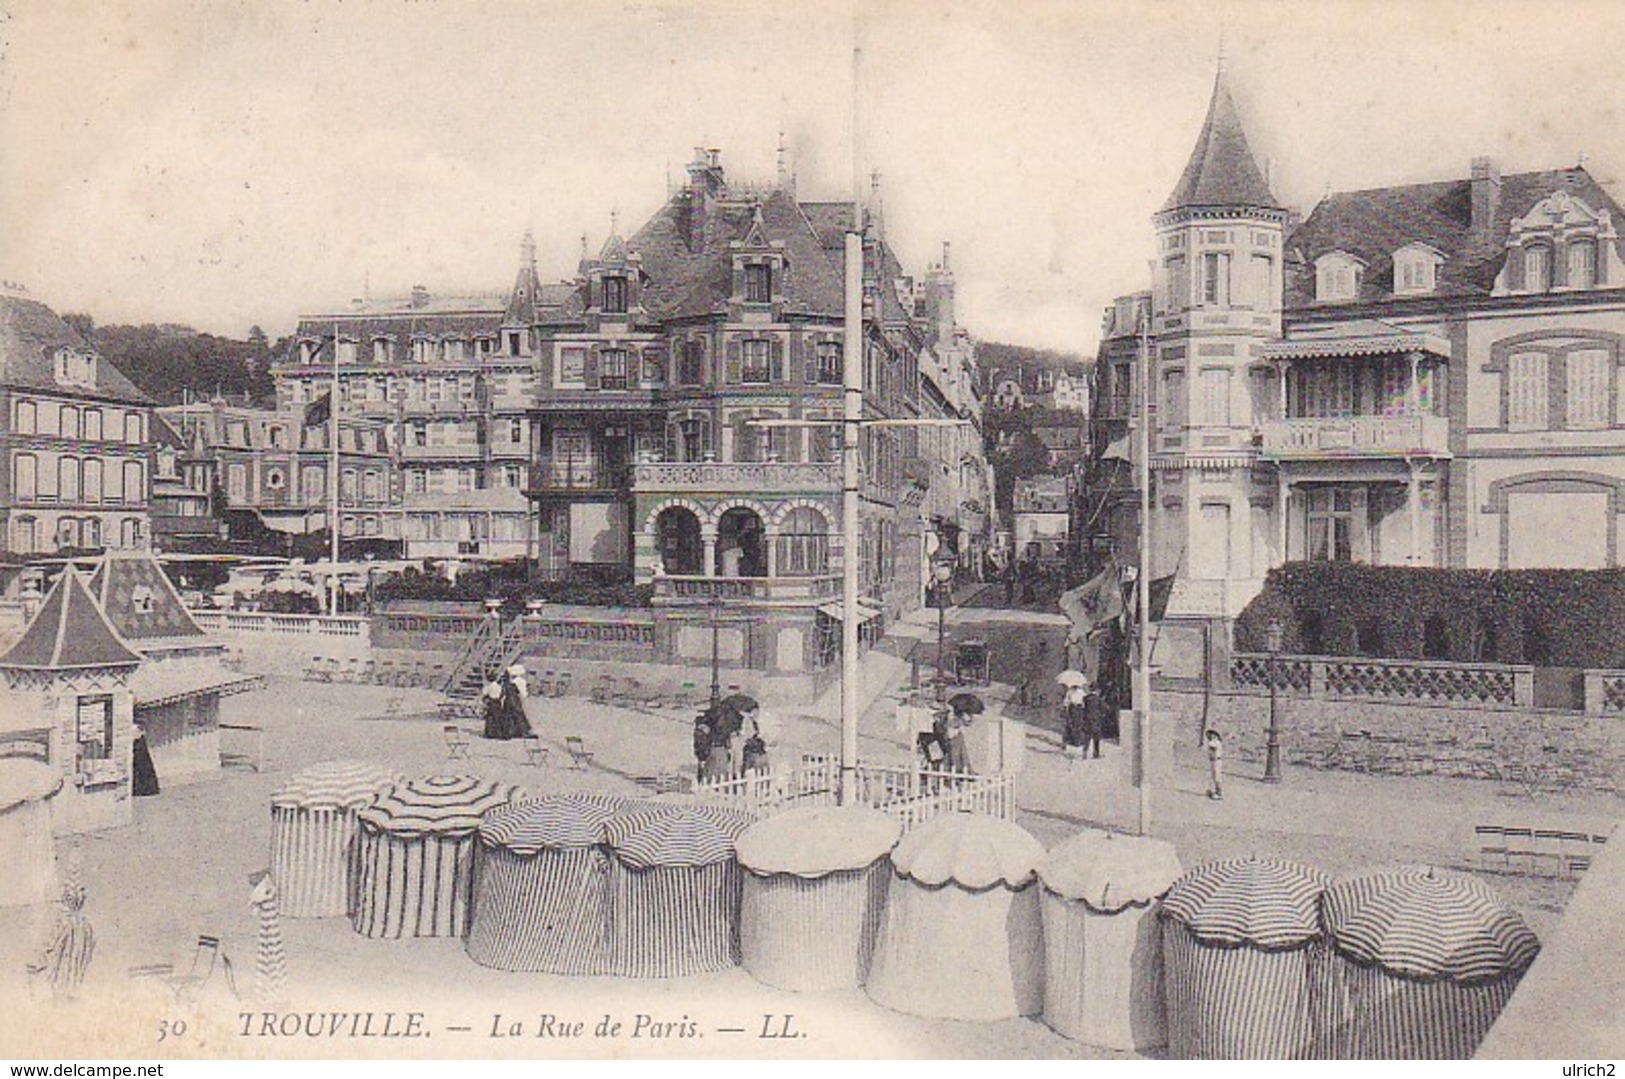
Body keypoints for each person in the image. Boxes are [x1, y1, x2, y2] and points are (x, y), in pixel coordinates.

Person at [1061, 683, 1088, 762]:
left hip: (1077, 709)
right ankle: (1073, 740)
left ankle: (1076, 740)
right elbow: (1066, 702)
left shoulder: (1079, 692)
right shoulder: (1073, 692)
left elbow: (1066, 702)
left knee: (1077, 725)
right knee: (1072, 725)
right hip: (1074, 709)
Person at [481, 669, 504, 739]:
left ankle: (490, 733)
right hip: (498, 702)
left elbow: (485, 693)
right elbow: (502, 693)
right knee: (498, 717)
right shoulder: (498, 686)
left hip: (491, 702)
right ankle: (498, 732)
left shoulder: (488, 686)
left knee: (490, 717)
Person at [1205, 728, 1225, 800]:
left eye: (1213, 734)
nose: (1211, 736)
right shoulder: (1213, 742)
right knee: (1213, 776)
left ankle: (1219, 792)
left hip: (1217, 760)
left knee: (1217, 776)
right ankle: (1215, 790)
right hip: (1213, 760)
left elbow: (1211, 746)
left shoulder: (1216, 742)